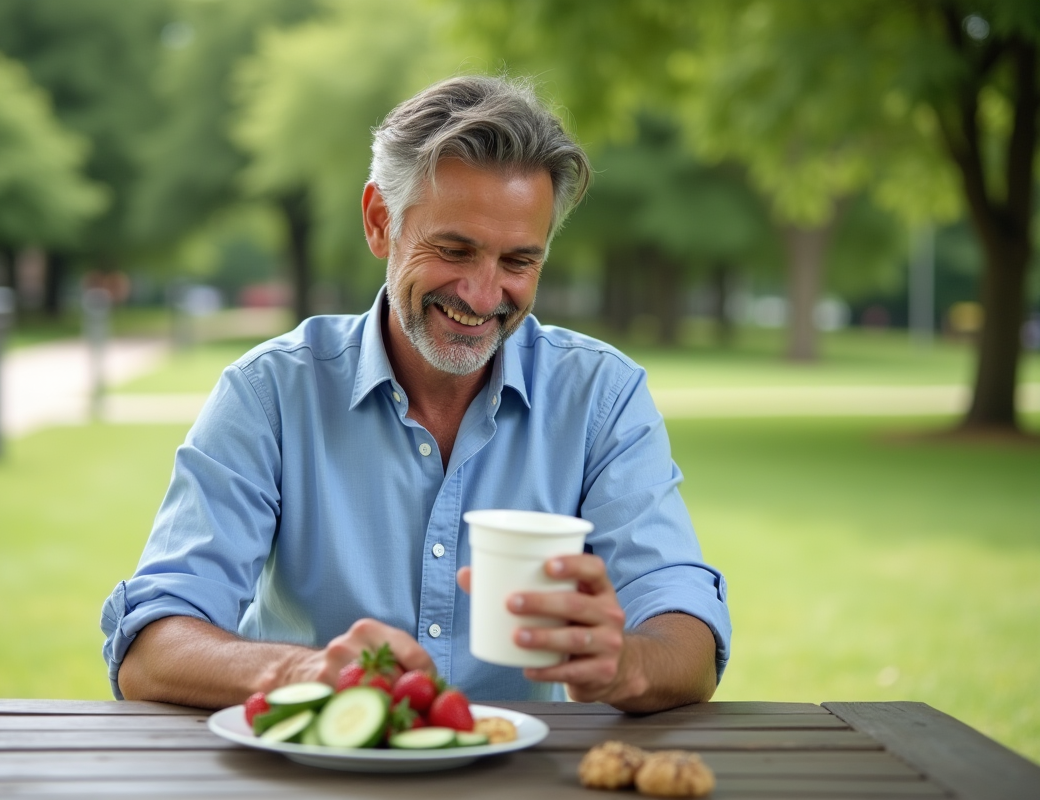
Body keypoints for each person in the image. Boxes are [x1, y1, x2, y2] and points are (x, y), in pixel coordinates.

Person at [101, 75, 730, 712]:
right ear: (381, 222)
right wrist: (308, 671)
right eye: (455, 250)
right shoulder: (270, 393)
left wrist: (629, 665)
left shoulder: (602, 398)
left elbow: (684, 628)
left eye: (518, 262)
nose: (484, 296)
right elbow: (153, 647)